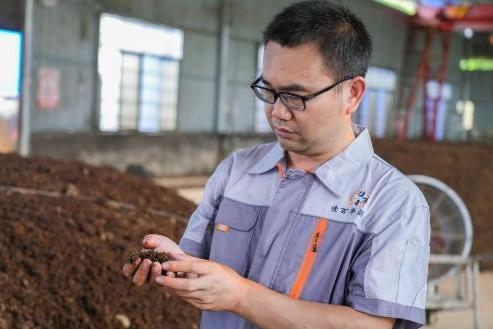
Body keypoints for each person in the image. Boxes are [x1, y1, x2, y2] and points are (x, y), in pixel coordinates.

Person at [122, 1, 430, 328]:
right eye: (269, 91)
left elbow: (374, 325)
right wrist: (175, 264)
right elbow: (201, 265)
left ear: (352, 94)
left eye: (296, 97)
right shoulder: (236, 171)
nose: (278, 112)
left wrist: (241, 297)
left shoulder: (394, 202)